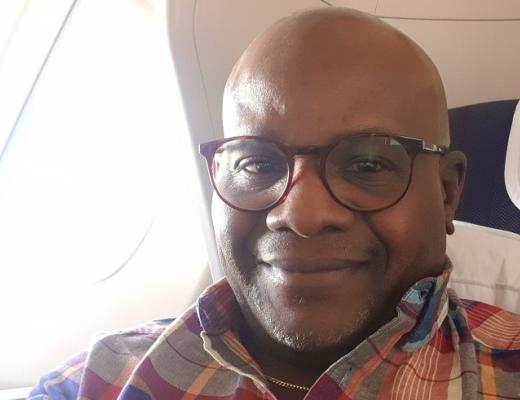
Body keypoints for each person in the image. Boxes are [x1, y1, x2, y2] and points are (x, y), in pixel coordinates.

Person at [30, 7, 520, 400]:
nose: (302, 216)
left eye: (368, 165)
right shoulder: (92, 382)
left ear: (447, 191)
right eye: (257, 165)